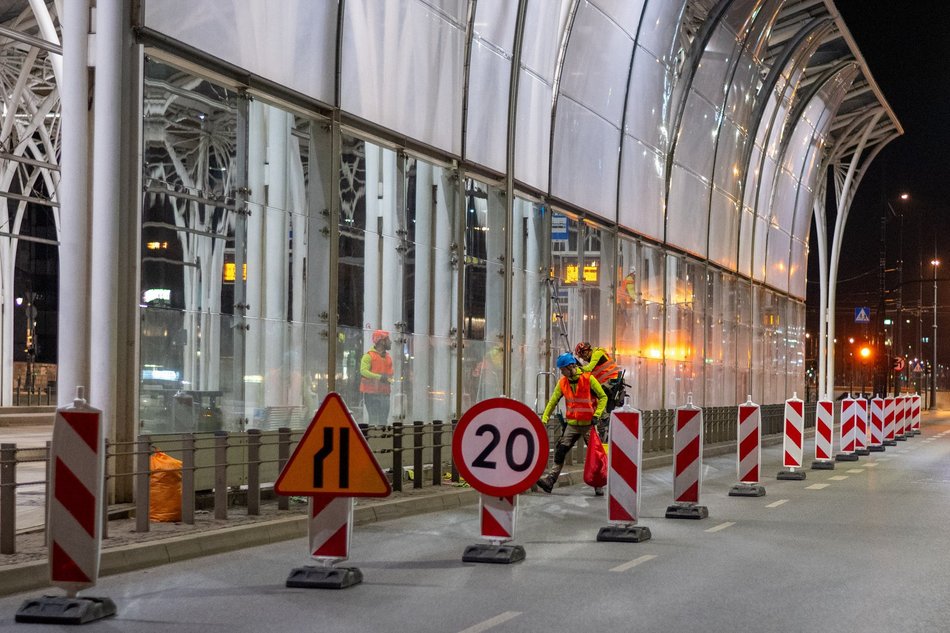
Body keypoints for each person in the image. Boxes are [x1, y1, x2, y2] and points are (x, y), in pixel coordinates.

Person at [536, 352, 608, 496]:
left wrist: (597, 415)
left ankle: (598, 484)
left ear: (570, 366)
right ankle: (550, 481)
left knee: (595, 455)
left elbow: (603, 397)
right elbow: (552, 402)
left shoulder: (588, 379)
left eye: (562, 369)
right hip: (572, 425)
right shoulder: (563, 382)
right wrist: (544, 419)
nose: (561, 372)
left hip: (588, 424)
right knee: (560, 451)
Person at [360, 330, 393, 426]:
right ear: (382, 341)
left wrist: (390, 379)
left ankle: (382, 435)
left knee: (383, 421)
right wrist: (380, 377)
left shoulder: (388, 357)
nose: (390, 342)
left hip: (384, 394)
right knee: (374, 421)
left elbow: (389, 374)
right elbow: (363, 371)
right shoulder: (368, 356)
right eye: (388, 340)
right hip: (372, 394)